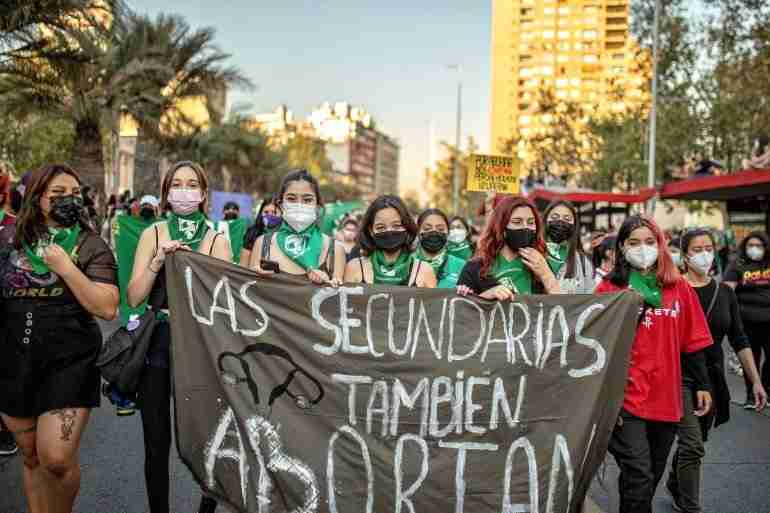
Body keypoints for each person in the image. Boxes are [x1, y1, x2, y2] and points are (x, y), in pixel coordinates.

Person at [0, 164, 119, 513]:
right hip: (13, 362)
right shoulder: (8, 240)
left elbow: (108, 308)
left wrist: (66, 267)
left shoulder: (91, 244)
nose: (69, 201)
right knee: (32, 456)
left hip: (69, 362)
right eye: (58, 195)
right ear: (37, 199)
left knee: (56, 458)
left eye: (74, 194)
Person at [127, 160, 231, 513]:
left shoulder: (218, 239)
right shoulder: (152, 233)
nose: (184, 191)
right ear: (167, 192)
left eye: (192, 185)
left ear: (203, 194)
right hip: (158, 343)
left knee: (208, 442)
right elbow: (134, 297)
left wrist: (196, 260)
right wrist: (158, 260)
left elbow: (223, 303)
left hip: (201, 349)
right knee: (155, 442)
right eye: (177, 184)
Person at [595, 215, 713, 513]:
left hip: (667, 399)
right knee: (639, 473)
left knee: (650, 478)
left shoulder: (678, 288)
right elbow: (596, 349)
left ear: (660, 246)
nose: (643, 248)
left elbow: (693, 342)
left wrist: (703, 385)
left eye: (650, 242)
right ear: (621, 247)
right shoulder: (608, 290)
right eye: (634, 243)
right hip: (626, 400)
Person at [666, 228, 768, 513]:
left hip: (711, 378)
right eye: (696, 249)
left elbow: (739, 338)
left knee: (696, 441)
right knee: (693, 445)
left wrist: (756, 381)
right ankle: (690, 506)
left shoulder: (724, 293)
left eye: (708, 248)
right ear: (685, 255)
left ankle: (676, 481)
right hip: (679, 376)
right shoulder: (673, 289)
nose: (704, 254)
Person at [249, 170, 345, 285]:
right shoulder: (263, 243)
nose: (299, 204)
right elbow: (249, 293)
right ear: (281, 204)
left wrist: (330, 284)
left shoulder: (335, 250)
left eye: (307, 200)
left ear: (317, 205)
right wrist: (254, 279)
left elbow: (341, 299)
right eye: (291, 199)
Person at [456, 196, 560, 299]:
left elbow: (562, 308)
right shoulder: (475, 267)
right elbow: (461, 310)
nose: (525, 227)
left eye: (531, 222)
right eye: (517, 222)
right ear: (502, 228)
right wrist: (486, 296)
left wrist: (546, 274)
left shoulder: (540, 263)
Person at [344, 195, 436, 287]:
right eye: (380, 227)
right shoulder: (354, 268)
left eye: (396, 226)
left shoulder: (425, 271)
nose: (389, 231)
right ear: (370, 231)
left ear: (407, 227)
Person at [723, 231, 770, 408]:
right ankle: (752, 396)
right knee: (752, 359)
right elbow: (727, 290)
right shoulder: (737, 265)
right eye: (751, 246)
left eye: (759, 246)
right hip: (746, 321)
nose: (755, 249)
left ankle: (766, 389)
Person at [543, 200, 595, 293]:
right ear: (545, 220)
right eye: (555, 217)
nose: (560, 222)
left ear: (574, 225)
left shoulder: (583, 262)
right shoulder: (533, 255)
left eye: (567, 219)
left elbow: (590, 301)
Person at [415, 209, 466, 288]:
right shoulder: (407, 263)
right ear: (418, 232)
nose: (434, 232)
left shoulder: (462, 266)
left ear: (448, 233)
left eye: (440, 229)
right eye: (427, 229)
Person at [240, 195, 281, 266]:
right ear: (260, 214)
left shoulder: (287, 235)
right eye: (266, 212)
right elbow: (243, 264)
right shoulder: (253, 233)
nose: (270, 215)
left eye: (274, 212)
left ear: (281, 214)